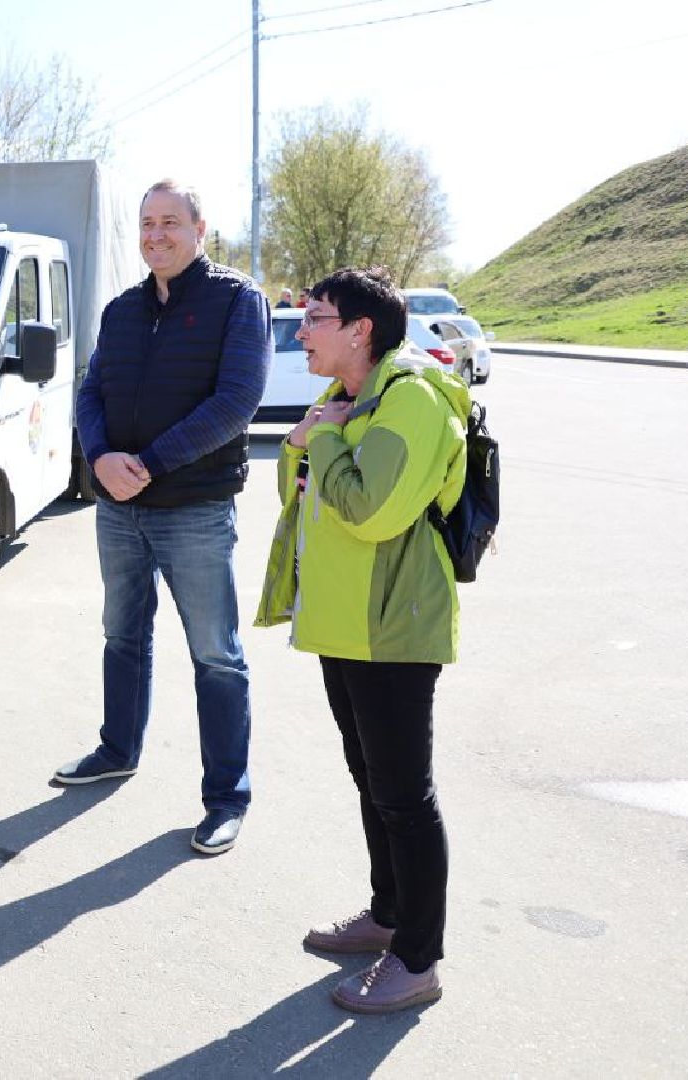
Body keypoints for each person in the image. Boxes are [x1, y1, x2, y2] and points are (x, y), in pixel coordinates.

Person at [255, 266, 466, 1014]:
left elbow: (369, 511)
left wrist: (324, 447)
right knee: (370, 780)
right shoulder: (345, 397)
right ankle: (386, 915)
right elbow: (295, 482)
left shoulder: (407, 400)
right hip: (343, 622)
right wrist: (317, 443)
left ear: (359, 330)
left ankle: (418, 958)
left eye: (313, 318)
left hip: (393, 626)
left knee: (405, 796)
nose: (300, 330)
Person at [54, 179, 268, 860]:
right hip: (119, 511)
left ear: (200, 229)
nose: (155, 236)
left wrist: (144, 462)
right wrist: (98, 454)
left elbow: (237, 400)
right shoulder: (121, 309)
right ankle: (117, 749)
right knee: (121, 636)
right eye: (146, 224)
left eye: (169, 222)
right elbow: (91, 389)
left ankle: (225, 798)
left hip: (194, 509)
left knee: (216, 655)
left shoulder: (237, 301)